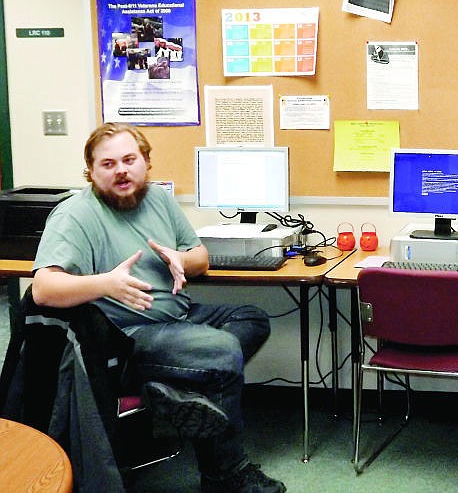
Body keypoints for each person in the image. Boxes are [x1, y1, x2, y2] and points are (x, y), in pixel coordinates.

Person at [31, 122, 286, 493]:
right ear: (91, 171)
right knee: (221, 351)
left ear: (146, 162)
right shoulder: (75, 215)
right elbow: (42, 289)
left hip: (180, 318)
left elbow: (201, 256)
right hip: (128, 336)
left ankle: (175, 386)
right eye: (108, 164)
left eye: (129, 159)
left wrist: (182, 260)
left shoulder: (158, 199)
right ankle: (225, 476)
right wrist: (106, 283)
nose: (121, 170)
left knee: (252, 318)